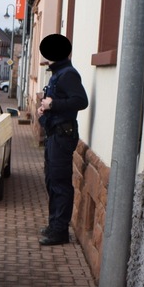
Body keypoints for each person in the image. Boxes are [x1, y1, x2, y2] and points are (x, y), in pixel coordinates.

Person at [35, 34, 88, 246]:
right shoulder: (59, 73)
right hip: (55, 134)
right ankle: (54, 225)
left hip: (62, 135)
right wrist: (44, 108)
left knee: (59, 183)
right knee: (51, 181)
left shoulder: (67, 74)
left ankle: (59, 231)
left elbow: (80, 101)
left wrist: (52, 105)